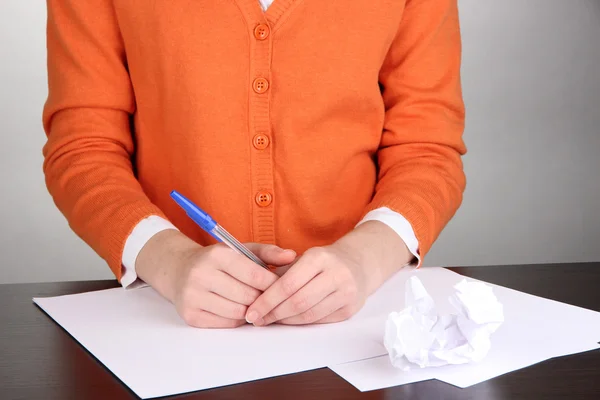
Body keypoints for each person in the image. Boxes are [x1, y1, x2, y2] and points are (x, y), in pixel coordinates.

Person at [42, 0, 466, 329]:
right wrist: (166, 260)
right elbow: (84, 146)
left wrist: (365, 258)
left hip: (362, 322)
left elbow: (426, 147)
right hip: (167, 319)